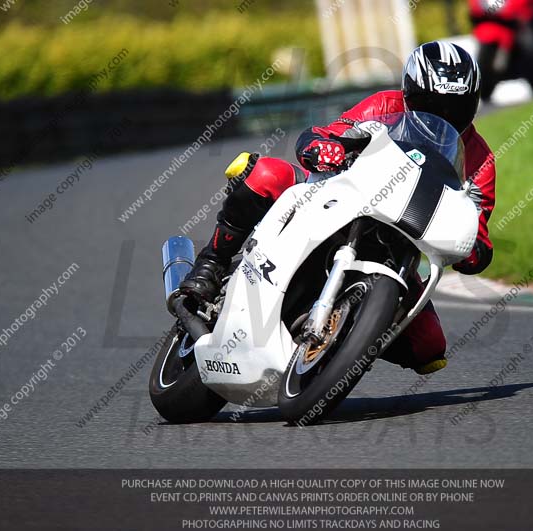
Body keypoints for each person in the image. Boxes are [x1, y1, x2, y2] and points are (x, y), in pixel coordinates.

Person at [180, 41, 496, 375]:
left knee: (430, 347)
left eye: (455, 108)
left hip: (400, 244)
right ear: (409, 94)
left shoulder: (481, 159)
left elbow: (477, 225)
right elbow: (329, 133)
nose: (442, 116)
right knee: (266, 174)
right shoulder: (384, 106)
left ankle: (350, 340)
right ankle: (211, 263)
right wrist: (324, 146)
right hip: (341, 201)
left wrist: (474, 249)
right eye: (431, 105)